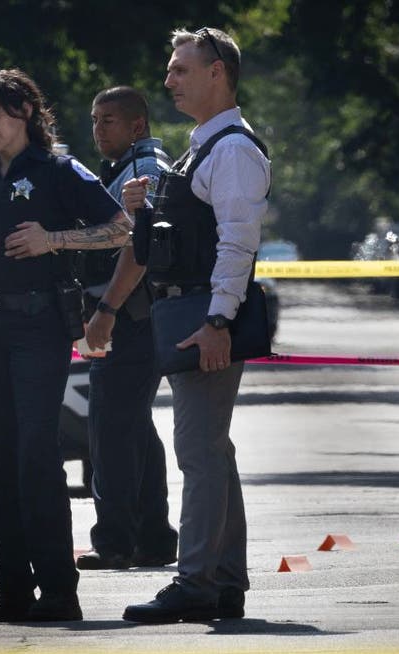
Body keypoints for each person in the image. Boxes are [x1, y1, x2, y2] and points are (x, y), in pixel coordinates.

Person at [0, 68, 133, 624]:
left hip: (38, 327)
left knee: (35, 456)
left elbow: (122, 228)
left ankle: (60, 592)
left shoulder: (59, 170)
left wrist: (53, 240)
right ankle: (12, 588)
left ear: (24, 114)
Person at [120, 27, 271, 623]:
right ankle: (224, 579)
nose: (169, 80)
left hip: (203, 316)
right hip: (188, 310)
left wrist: (217, 320)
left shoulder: (231, 149)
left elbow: (238, 244)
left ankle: (195, 583)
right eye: (170, 67)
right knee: (212, 451)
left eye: (182, 69)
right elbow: (184, 237)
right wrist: (143, 210)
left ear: (218, 74)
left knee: (198, 453)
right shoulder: (204, 146)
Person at [76, 86, 179, 571]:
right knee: (133, 429)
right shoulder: (123, 169)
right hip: (129, 318)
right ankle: (154, 538)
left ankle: (116, 541)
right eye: (95, 120)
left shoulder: (146, 170)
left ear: (137, 125)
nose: (98, 130)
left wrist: (107, 310)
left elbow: (139, 250)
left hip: (131, 319)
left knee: (111, 433)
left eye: (109, 121)